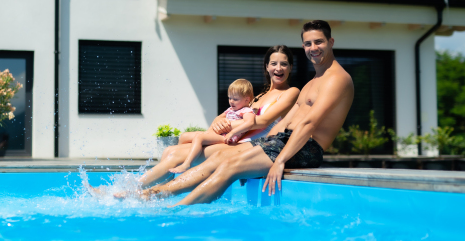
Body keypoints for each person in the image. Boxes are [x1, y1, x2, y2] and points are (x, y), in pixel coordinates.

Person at [139, 20, 354, 205]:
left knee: (229, 166)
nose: (313, 47)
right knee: (222, 156)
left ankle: (173, 210)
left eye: (319, 42)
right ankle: (150, 195)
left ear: (331, 42)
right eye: (308, 43)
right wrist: (253, 151)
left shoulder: (337, 78)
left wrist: (279, 161)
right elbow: (284, 124)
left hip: (305, 147)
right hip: (282, 141)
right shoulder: (313, 82)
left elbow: (308, 125)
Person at [119, 45, 300, 194]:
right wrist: (217, 121)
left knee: (176, 154)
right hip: (237, 139)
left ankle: (132, 190)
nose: (278, 68)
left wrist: (226, 126)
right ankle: (145, 191)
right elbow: (231, 113)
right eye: (274, 63)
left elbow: (262, 122)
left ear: (290, 67)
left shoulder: (291, 92)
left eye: (284, 64)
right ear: (267, 66)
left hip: (249, 145)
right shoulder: (259, 95)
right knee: (171, 150)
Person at [169, 79, 256, 174]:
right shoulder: (231, 109)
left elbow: (249, 123)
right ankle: (178, 159)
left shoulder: (246, 110)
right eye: (229, 98)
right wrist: (209, 131)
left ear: (247, 99)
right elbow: (218, 118)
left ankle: (187, 164)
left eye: (235, 99)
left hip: (228, 138)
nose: (231, 101)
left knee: (199, 137)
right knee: (184, 136)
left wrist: (232, 133)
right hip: (221, 134)